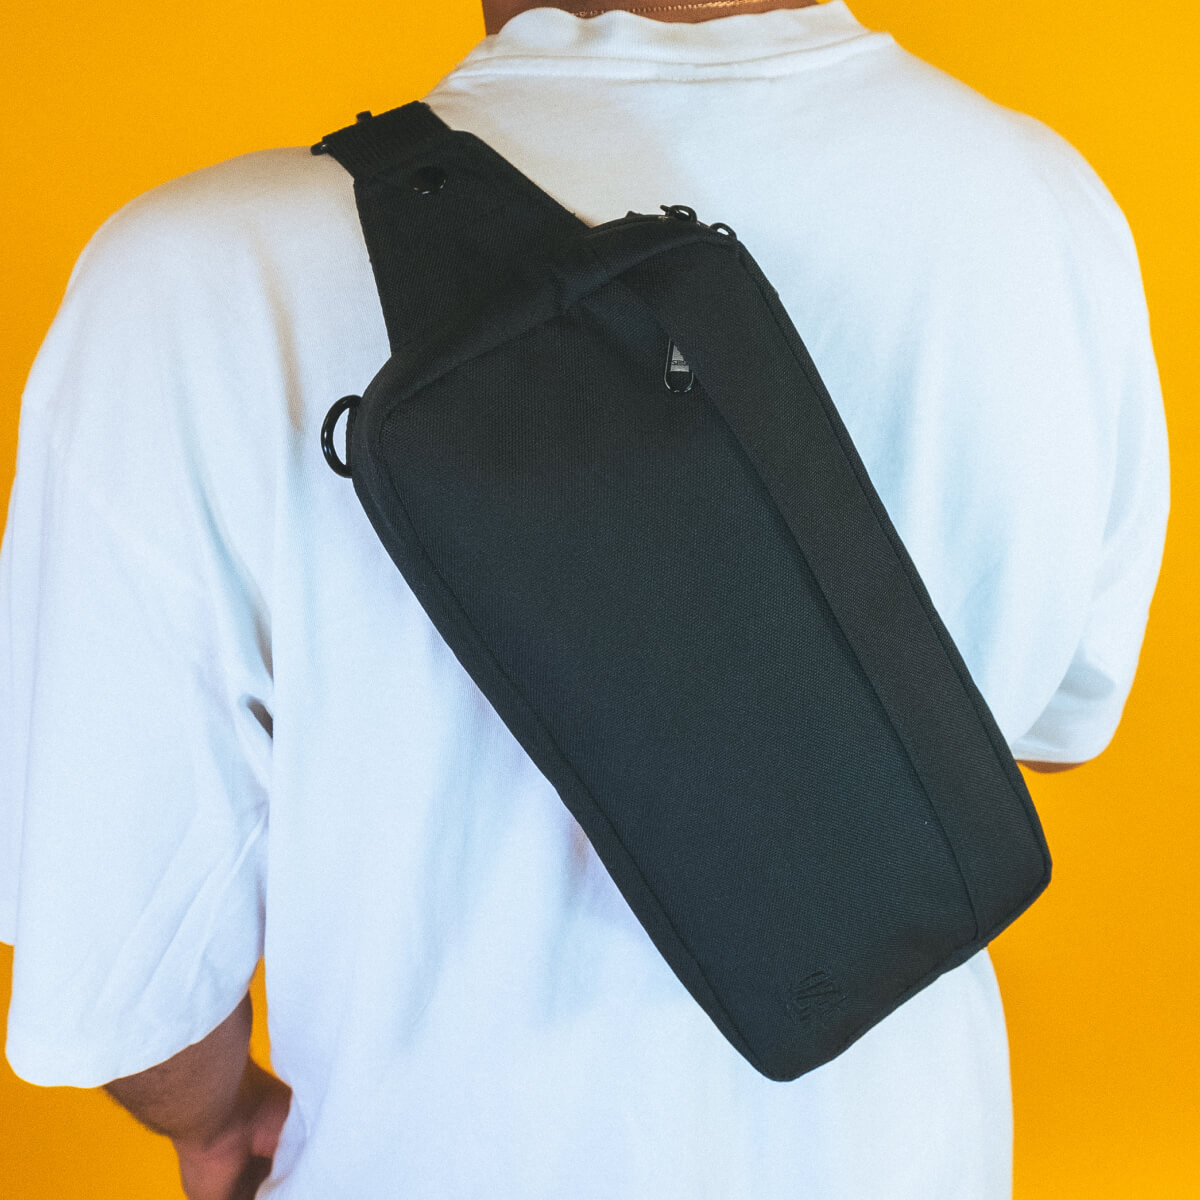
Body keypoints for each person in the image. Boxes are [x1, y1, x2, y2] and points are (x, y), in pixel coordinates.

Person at [0, 0, 1169, 1197]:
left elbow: (127, 980)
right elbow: (1055, 728)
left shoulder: (192, 284)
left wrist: (217, 1119)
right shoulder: (1054, 209)